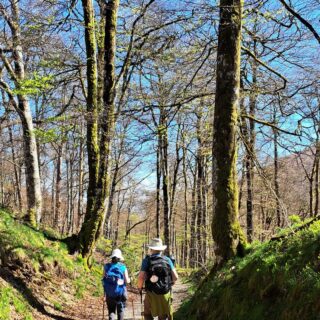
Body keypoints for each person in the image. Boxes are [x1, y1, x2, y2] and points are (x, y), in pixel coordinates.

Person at [137, 238, 179, 320]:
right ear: (161, 250)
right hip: (165, 292)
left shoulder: (147, 261)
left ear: (151, 249)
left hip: (151, 293)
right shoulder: (167, 260)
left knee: (147, 313)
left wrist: (139, 287)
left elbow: (141, 277)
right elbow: (176, 277)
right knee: (163, 315)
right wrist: (171, 283)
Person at [103, 248, 130, 320]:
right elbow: (127, 281)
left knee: (111, 311)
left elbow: (104, 280)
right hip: (120, 293)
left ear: (112, 257)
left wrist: (104, 294)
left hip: (109, 293)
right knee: (120, 310)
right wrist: (130, 280)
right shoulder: (122, 267)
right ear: (119, 258)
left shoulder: (106, 266)